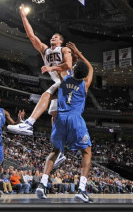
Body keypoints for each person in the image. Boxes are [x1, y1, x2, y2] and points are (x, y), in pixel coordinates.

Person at [7, 4, 73, 165]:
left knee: (48, 93)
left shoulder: (64, 50)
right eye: (52, 36)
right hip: (60, 83)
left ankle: (29, 124)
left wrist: (51, 67)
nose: (53, 38)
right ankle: (60, 152)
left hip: (71, 84)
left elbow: (69, 66)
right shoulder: (45, 50)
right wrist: (23, 16)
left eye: (56, 37)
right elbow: (31, 35)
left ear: (61, 41)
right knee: (54, 118)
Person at [36, 42, 94, 203]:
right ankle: (81, 189)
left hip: (60, 118)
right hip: (75, 119)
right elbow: (91, 68)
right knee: (86, 152)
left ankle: (42, 184)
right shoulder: (85, 84)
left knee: (55, 151)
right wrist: (79, 52)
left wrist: (58, 58)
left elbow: (62, 66)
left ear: (73, 70)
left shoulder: (64, 77)